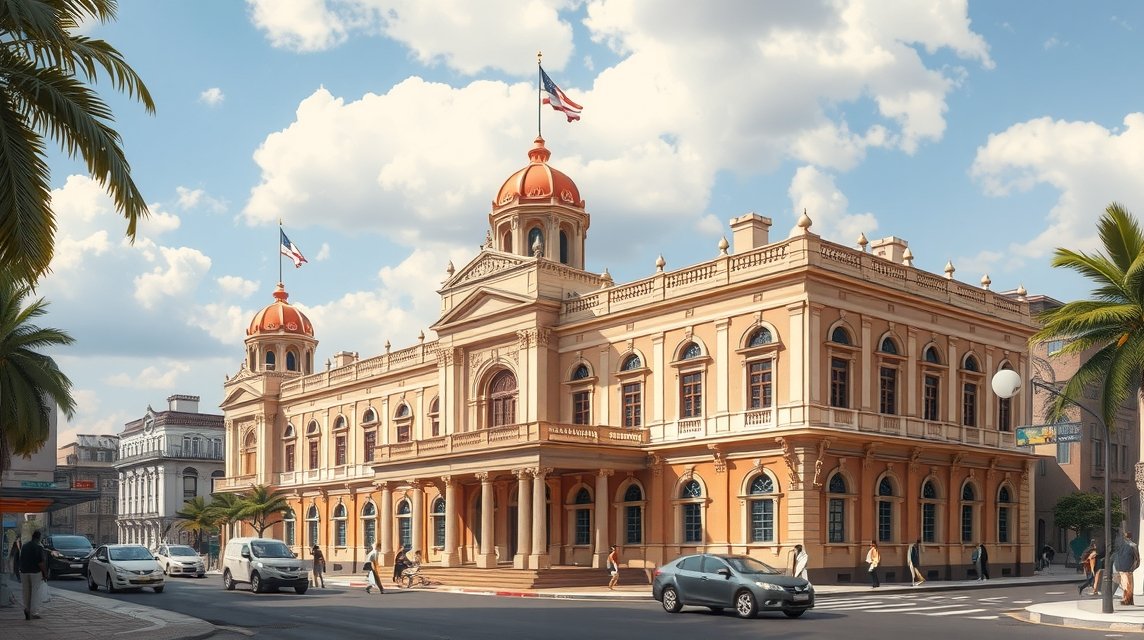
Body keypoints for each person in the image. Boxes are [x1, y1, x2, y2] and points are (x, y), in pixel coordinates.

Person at [18, 530, 47, 621]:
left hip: (24, 571)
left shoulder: (25, 546)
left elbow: (21, 559)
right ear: (39, 538)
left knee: (26, 592)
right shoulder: (38, 547)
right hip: (35, 572)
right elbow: (41, 563)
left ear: (32, 536)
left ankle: (26, 609)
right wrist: (45, 574)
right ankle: (33, 612)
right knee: (35, 592)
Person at [1114, 531, 1140, 606]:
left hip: (1121, 568)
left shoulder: (1119, 546)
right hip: (1128, 568)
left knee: (1125, 584)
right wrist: (1134, 567)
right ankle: (1128, 599)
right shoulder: (1133, 545)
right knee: (1129, 584)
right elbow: (1137, 559)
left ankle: (1127, 599)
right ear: (1131, 537)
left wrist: (1117, 567)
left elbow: (1116, 556)